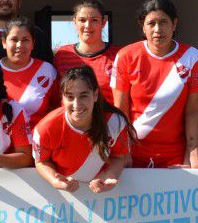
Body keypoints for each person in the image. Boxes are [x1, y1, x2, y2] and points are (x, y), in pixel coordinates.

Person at [111, 0, 198, 168]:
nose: (158, 29)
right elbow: (121, 111)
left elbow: (193, 112)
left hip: (175, 158)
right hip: (134, 156)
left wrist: (193, 157)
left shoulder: (192, 57)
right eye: (151, 23)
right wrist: (123, 153)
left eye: (164, 22)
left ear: (174, 24)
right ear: (143, 26)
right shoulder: (126, 56)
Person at [33, 65, 134, 193]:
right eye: (70, 97)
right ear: (62, 98)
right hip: (60, 198)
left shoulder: (115, 122)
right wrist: (55, 180)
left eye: (83, 96)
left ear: (95, 95)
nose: (76, 104)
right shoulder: (46, 128)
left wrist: (108, 178)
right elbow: (41, 161)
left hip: (102, 199)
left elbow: (118, 158)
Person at [53, 0, 121, 104]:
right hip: (71, 119)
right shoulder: (62, 54)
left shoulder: (119, 55)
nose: (87, 26)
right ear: (75, 22)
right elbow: (56, 97)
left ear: (103, 23)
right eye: (82, 20)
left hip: (108, 119)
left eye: (94, 20)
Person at [0, 17, 60, 128]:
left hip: (37, 142)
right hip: (1, 143)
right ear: (4, 42)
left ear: (33, 43)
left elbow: (58, 107)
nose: (19, 45)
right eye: (14, 39)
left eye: (25, 40)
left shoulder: (47, 70)